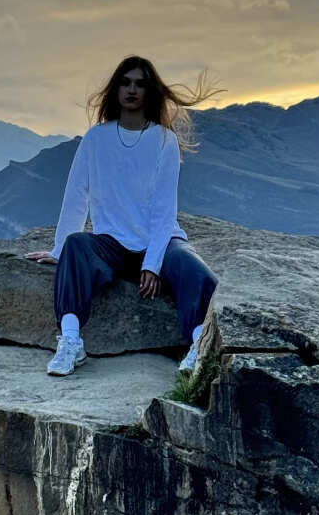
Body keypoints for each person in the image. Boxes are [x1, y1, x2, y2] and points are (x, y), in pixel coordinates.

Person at [27, 56, 218, 376]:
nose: (132, 89)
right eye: (126, 82)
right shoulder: (96, 139)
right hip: (111, 244)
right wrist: (60, 251)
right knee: (76, 246)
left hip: (160, 242)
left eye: (140, 84)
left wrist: (153, 264)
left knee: (196, 272)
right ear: (115, 89)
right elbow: (76, 197)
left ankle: (199, 348)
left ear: (150, 91)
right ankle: (72, 341)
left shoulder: (164, 141)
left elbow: (163, 209)